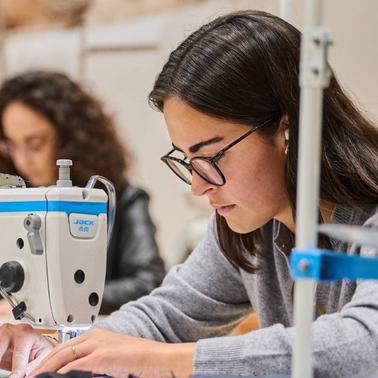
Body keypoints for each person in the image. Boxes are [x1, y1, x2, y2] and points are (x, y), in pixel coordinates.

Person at [0, 9, 378, 378]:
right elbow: (166, 316)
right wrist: (57, 348)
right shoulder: (249, 230)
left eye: (211, 155)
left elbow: (366, 344)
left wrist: (160, 359)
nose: (198, 185)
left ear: (287, 129)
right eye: (188, 160)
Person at [0, 70, 166, 315]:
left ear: (69, 139)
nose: (23, 161)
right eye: (12, 146)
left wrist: (54, 300)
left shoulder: (122, 199)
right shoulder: (10, 204)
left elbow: (148, 283)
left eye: (35, 144)